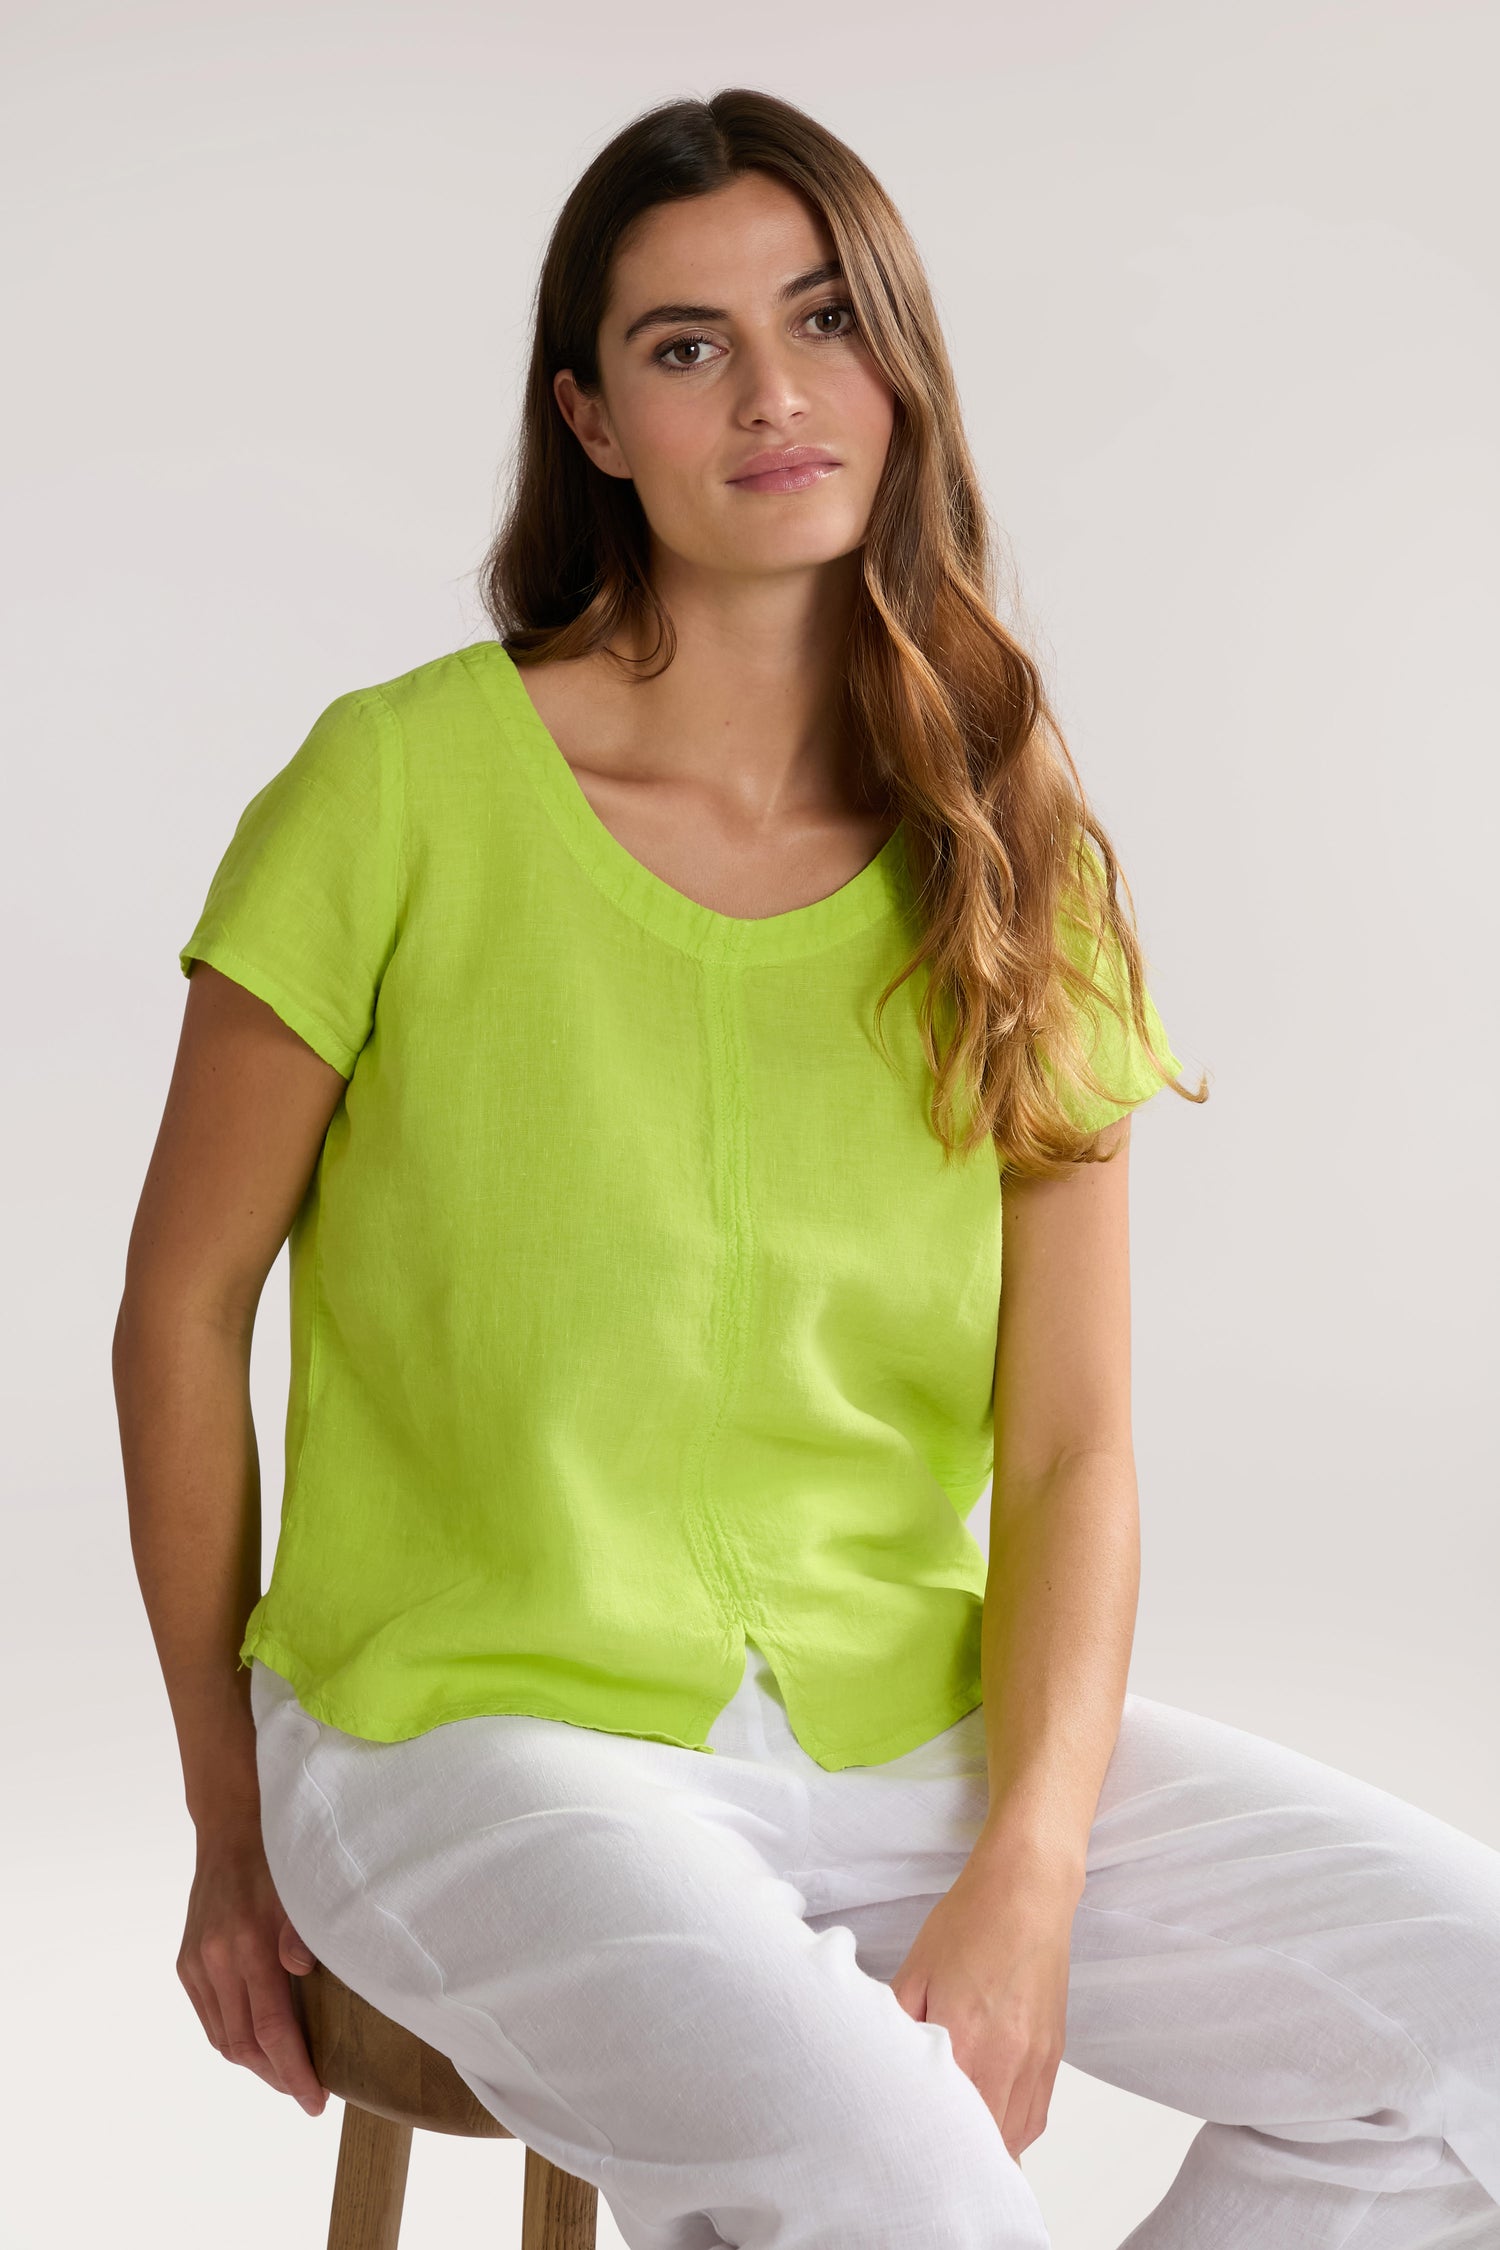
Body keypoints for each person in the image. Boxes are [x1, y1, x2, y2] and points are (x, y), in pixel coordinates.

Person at [113, 87, 1500, 2250]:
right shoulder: (392, 788)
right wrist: (227, 1819)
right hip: (464, 1732)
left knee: (1473, 2015)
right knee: (888, 2164)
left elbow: (1069, 1453)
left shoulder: (1008, 845)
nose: (776, 393)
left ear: (902, 364)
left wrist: (1029, 1871)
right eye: (688, 345)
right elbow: (180, 1315)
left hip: (898, 1715)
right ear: (592, 419)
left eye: (828, 318)